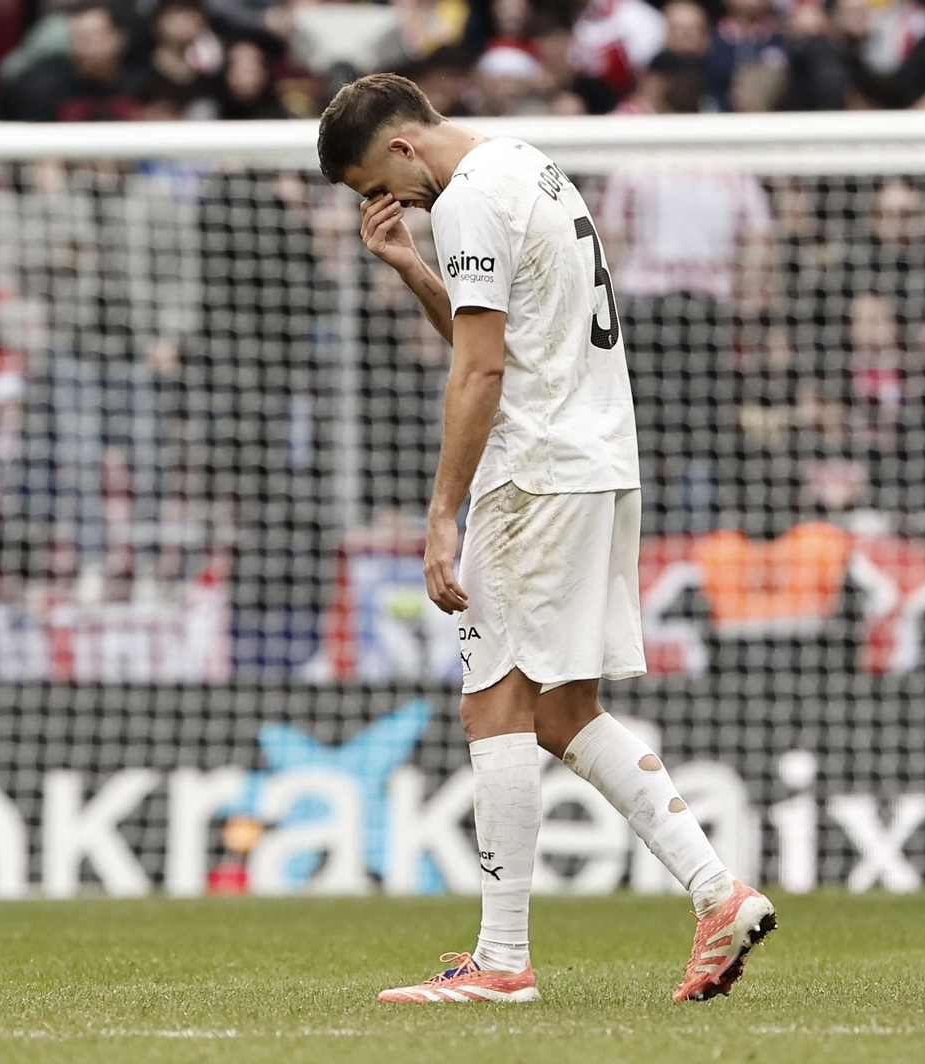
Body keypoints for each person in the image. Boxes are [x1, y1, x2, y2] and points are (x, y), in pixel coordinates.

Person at [316, 73, 775, 1005]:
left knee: (493, 705)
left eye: (379, 183)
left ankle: (501, 960)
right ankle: (719, 894)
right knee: (562, 714)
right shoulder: (529, 167)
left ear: (404, 147)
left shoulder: (473, 199)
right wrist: (411, 267)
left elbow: (482, 371)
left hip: (534, 473)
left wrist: (442, 512)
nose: (386, 203)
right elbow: (502, 340)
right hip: (598, 459)